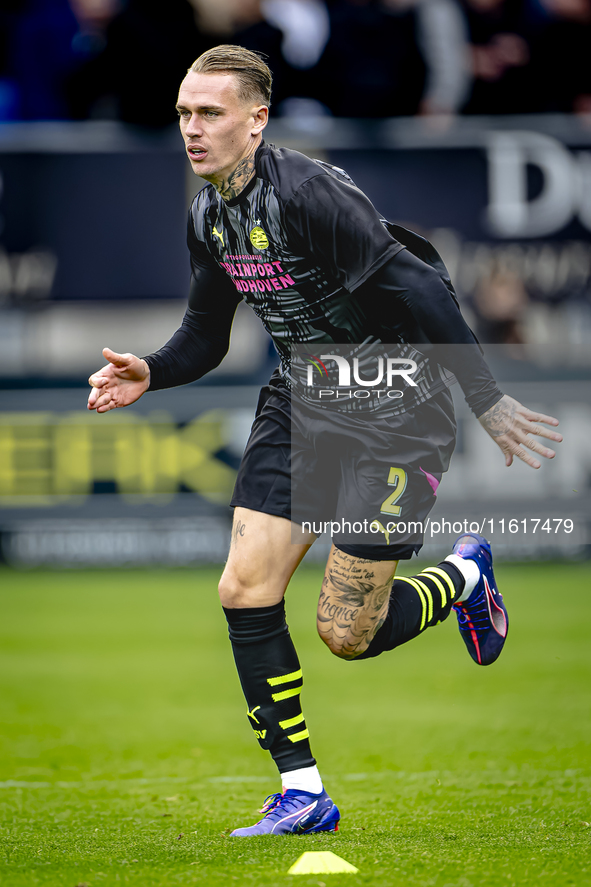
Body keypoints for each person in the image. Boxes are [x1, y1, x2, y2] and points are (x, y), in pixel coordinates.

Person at [87, 45, 562, 837]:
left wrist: (485, 400)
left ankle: (463, 575)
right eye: (182, 114)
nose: (192, 130)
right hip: (303, 398)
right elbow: (206, 337)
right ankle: (303, 792)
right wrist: (151, 370)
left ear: (256, 119)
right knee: (243, 587)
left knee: (347, 632)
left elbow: (421, 285)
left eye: (208, 113)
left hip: (397, 405)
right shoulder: (208, 213)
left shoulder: (306, 193)